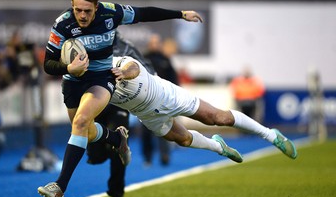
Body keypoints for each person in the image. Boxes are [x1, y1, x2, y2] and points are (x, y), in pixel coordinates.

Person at [38, 0, 203, 197]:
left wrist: (181, 14)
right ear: (72, 6)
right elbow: (48, 64)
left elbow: (144, 13)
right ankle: (116, 137)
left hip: (101, 78)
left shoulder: (112, 12)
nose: (83, 15)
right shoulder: (62, 25)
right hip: (73, 81)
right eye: (78, 10)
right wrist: (68, 68)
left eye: (87, 10)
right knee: (84, 131)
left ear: (97, 7)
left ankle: (60, 186)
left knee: (81, 122)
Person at [110, 55, 298, 164]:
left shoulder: (114, 62)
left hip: (166, 95)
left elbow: (132, 67)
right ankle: (219, 147)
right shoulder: (91, 87)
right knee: (182, 140)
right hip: (147, 114)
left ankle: (271, 135)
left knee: (216, 117)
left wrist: (123, 74)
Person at [86, 32, 155, 197]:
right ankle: (101, 153)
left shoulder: (126, 47)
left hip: (119, 103)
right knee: (96, 155)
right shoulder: (86, 42)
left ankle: (117, 192)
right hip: (95, 100)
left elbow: (148, 70)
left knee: (119, 143)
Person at [142, 34, 178, 166]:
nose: (154, 45)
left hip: (163, 99)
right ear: (149, 44)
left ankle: (165, 155)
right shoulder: (142, 58)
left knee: (164, 127)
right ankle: (147, 157)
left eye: (157, 42)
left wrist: (174, 96)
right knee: (146, 131)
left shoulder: (166, 59)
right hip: (145, 100)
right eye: (152, 42)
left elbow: (174, 79)